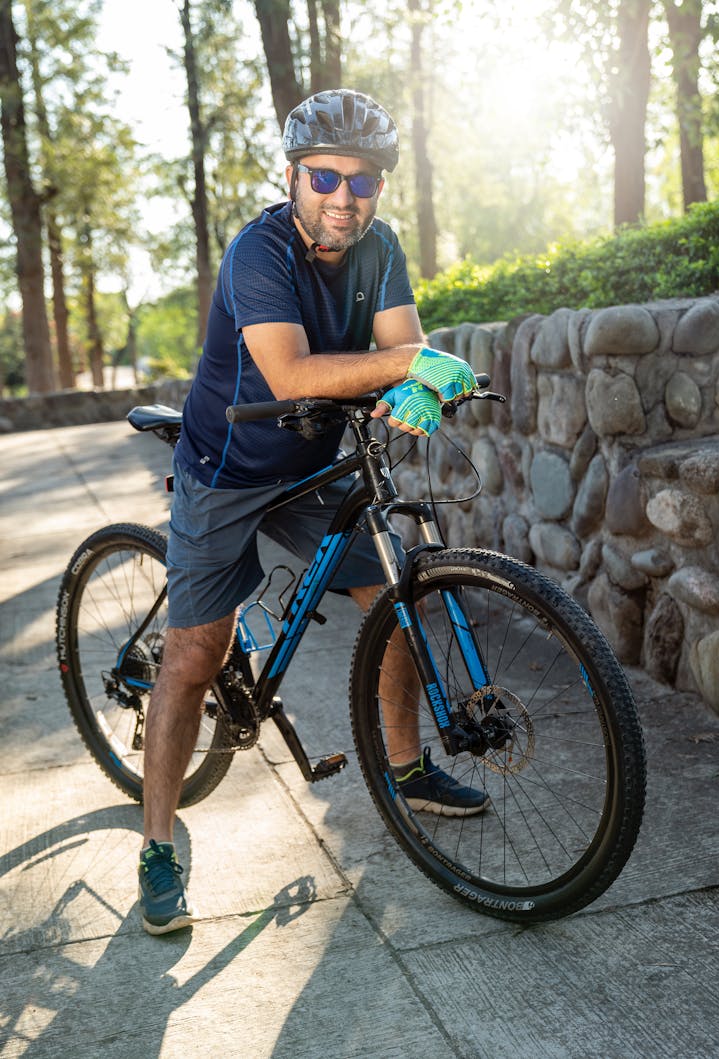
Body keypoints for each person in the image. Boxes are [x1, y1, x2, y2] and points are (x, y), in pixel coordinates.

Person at [137, 88, 487, 935]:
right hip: (226, 469)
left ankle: (405, 771)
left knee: (395, 603)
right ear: (293, 175)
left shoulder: (380, 248)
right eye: (325, 175)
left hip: (309, 461)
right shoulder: (257, 253)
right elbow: (294, 374)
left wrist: (413, 387)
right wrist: (414, 361)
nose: (343, 195)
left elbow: (398, 346)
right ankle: (155, 845)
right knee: (195, 655)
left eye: (362, 181)